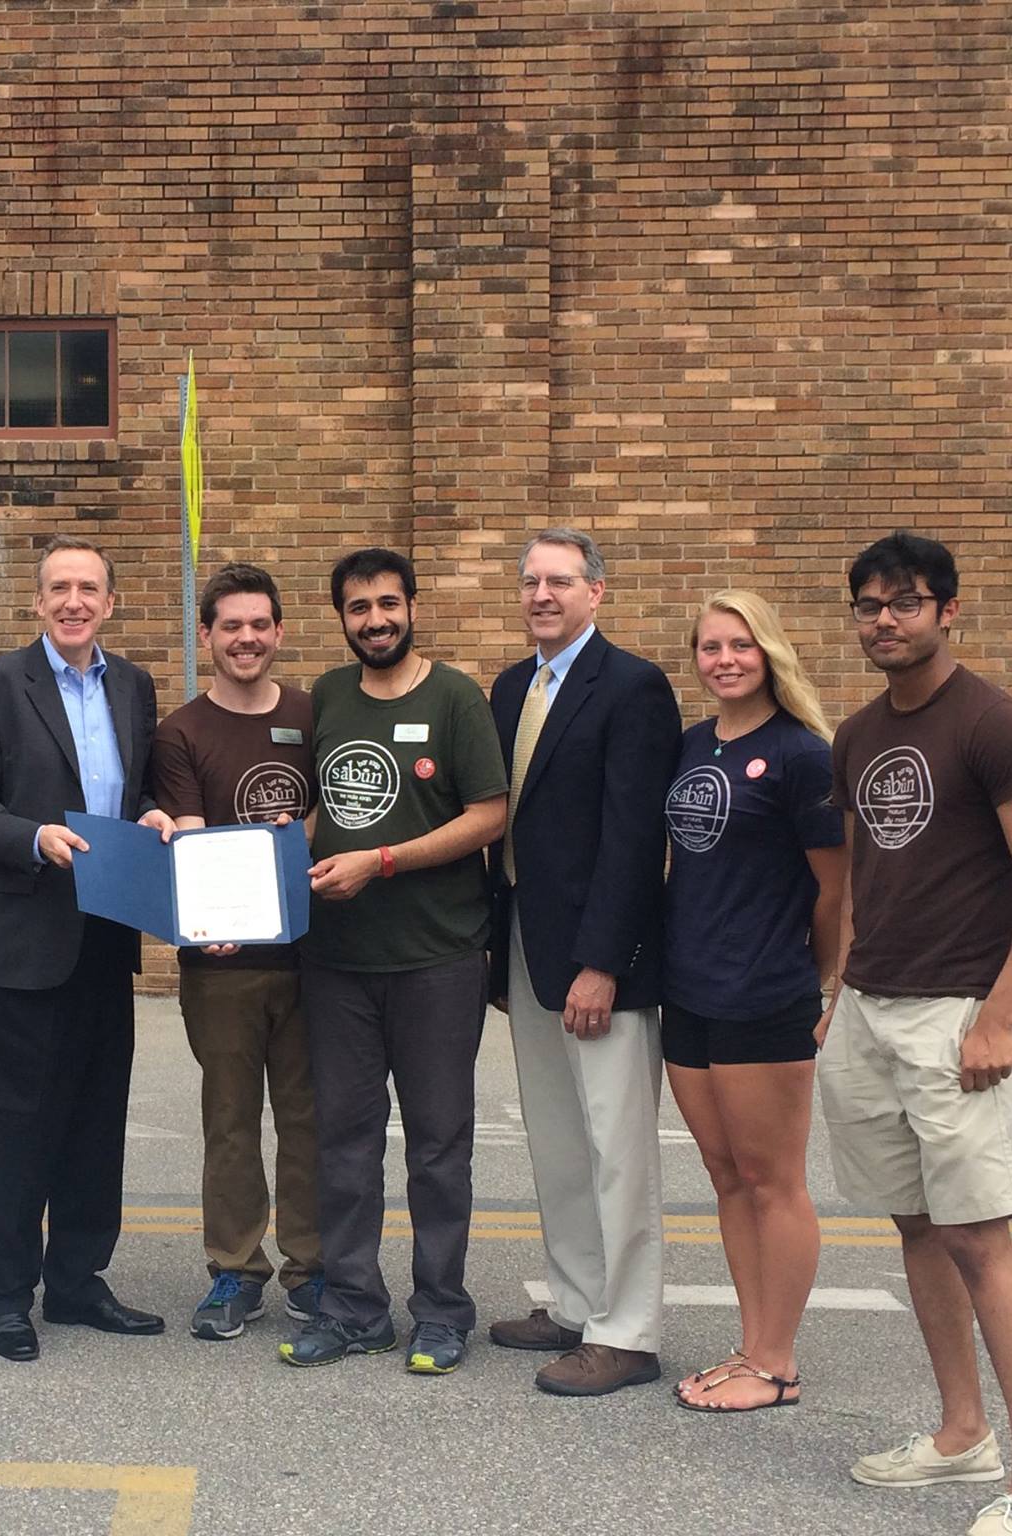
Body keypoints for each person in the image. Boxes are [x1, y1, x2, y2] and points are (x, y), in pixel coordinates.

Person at [823, 532, 1012, 1536]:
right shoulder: (853, 736)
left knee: (977, 1238)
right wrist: (835, 984)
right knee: (914, 1226)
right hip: (868, 1010)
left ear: (946, 611)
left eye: (903, 602)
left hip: (953, 1018)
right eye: (867, 604)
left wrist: (997, 1018)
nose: (882, 619)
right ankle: (956, 1432)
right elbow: (862, 877)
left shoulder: (993, 726)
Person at [0, 533, 176, 1362]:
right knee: (15, 1126)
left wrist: (152, 814)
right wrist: (30, 835)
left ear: (111, 603)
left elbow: (136, 788)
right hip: (23, 940)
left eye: (88, 589)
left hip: (106, 936)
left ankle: (77, 1282)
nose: (74, 601)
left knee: (93, 1121)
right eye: (58, 588)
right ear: (38, 602)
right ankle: (5, 1294)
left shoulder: (136, 687)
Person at [281, 548, 506, 1375]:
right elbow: (317, 813)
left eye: (386, 603)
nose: (374, 619)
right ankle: (352, 1309)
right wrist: (243, 863)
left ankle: (441, 1311)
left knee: (438, 1147)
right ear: (339, 617)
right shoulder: (330, 697)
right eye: (357, 607)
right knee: (343, 1141)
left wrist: (380, 862)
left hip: (437, 958)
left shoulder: (454, 699)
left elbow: (488, 815)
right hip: (336, 962)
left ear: (412, 605)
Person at [486, 526, 680, 1397]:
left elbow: (636, 839)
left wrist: (603, 962)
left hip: (602, 957)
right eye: (530, 582)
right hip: (530, 942)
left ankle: (628, 1329)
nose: (541, 595)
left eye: (559, 582)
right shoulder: (510, 687)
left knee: (617, 1145)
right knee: (558, 1139)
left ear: (596, 593)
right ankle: (572, 1301)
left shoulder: (634, 687)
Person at [662, 592, 846, 1413]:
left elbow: (835, 891)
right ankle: (750, 1344)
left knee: (774, 1181)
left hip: (764, 992)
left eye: (741, 645)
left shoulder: (804, 755)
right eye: (710, 647)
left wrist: (824, 984)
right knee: (727, 1177)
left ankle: (776, 1364)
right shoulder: (692, 744)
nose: (725, 659)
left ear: (769, 653)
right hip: (689, 988)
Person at [150, 562, 324, 1342]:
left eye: (260, 624)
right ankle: (234, 1269)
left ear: (279, 632)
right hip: (221, 961)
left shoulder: (315, 715)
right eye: (231, 626)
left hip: (312, 957)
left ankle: (312, 1268)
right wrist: (205, 904)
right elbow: (187, 833)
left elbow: (332, 814)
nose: (247, 638)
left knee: (309, 1118)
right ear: (207, 635)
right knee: (230, 1119)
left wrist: (300, 844)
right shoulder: (181, 730)